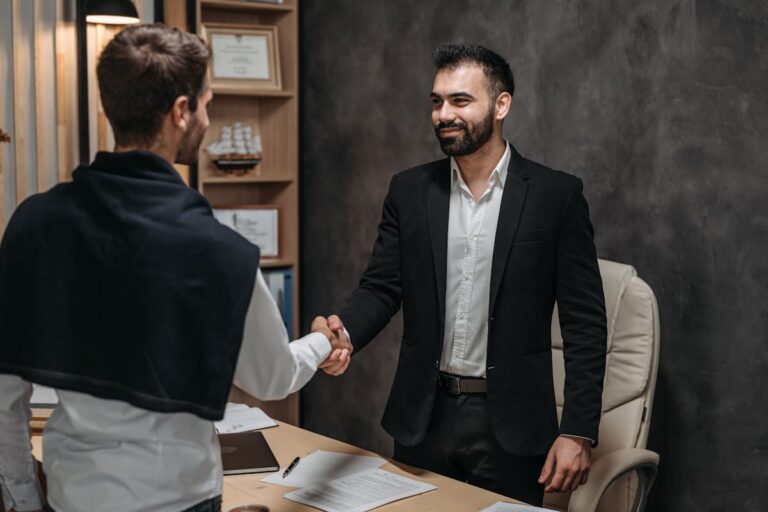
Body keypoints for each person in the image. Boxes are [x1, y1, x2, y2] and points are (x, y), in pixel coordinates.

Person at [0, 24, 348, 512]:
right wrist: (322, 342)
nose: (207, 115)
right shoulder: (219, 251)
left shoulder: (33, 225)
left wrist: (22, 500)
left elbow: (4, 395)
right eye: (206, 103)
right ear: (181, 112)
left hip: (68, 498)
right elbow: (272, 377)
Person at [317, 43, 607, 506]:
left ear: (501, 105)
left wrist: (578, 430)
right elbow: (381, 287)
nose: (443, 114)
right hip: (422, 419)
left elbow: (585, 324)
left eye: (460, 100)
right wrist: (342, 331)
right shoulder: (409, 190)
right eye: (436, 101)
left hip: (513, 423)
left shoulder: (557, 197)